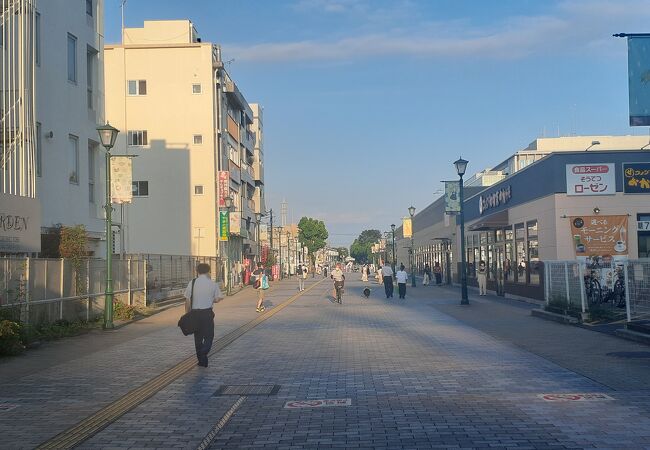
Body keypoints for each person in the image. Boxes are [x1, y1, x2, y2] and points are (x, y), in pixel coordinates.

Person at [184, 263, 223, 367]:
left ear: (197, 271)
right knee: (209, 336)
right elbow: (219, 298)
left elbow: (187, 300)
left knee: (198, 338)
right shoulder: (212, 284)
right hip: (207, 314)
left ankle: (202, 361)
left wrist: (187, 314)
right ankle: (204, 351)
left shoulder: (192, 283)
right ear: (208, 271)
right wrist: (212, 299)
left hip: (195, 314)